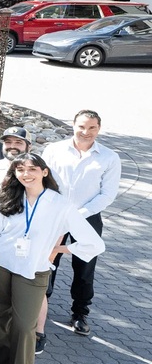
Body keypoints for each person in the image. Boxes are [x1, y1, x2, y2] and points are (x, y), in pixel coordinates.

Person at [0, 153, 104, 364]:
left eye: (32, 169)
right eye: (20, 170)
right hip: (0, 266)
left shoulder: (60, 204)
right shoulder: (5, 196)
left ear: (44, 172)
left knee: (24, 327)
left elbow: (94, 243)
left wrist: (57, 249)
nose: (26, 174)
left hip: (34, 271)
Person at [41, 109, 121, 338]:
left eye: (92, 127)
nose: (86, 132)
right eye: (82, 126)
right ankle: (40, 304)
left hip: (87, 217)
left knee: (85, 265)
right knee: (46, 259)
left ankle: (80, 313)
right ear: (73, 126)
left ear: (99, 128)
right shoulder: (54, 150)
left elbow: (107, 194)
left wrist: (77, 215)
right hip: (54, 214)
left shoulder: (109, 157)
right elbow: (43, 181)